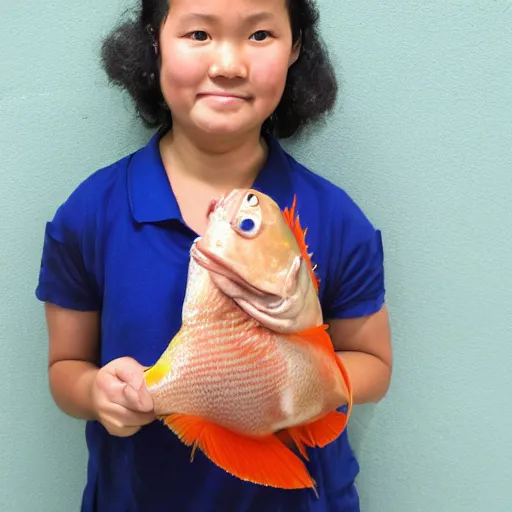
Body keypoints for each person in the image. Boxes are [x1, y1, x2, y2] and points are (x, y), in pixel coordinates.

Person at [35, 0, 392, 510]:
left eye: (260, 34)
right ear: (154, 41)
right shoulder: (91, 213)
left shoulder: (336, 218)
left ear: (296, 51)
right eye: (199, 34)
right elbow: (66, 365)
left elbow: (374, 364)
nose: (228, 64)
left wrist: (301, 385)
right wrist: (97, 393)